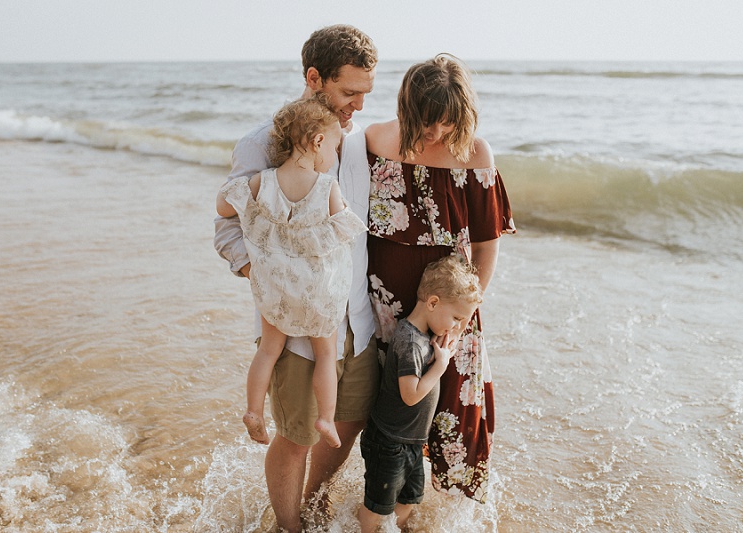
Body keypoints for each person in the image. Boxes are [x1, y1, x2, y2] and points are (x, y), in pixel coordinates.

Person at [213, 25, 379, 532]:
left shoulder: (356, 143)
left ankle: (314, 502)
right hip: (294, 321)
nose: (357, 107)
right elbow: (225, 228)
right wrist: (268, 278)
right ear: (314, 78)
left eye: (365, 94)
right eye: (349, 93)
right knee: (296, 435)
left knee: (346, 422)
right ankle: (289, 526)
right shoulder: (262, 144)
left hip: (356, 314)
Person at [364, 54, 516, 504]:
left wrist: (467, 313)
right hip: (386, 310)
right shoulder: (375, 140)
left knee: (458, 414)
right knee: (393, 414)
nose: (434, 134)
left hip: (451, 310)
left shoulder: (475, 153)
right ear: (407, 108)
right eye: (425, 123)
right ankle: (389, 504)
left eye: (446, 123)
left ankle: (452, 513)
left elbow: (488, 245)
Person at [216, 94, 366, 449]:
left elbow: (224, 207)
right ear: (317, 142)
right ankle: (326, 419)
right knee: (326, 354)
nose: (333, 155)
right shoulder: (327, 186)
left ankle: (253, 411)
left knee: (268, 350)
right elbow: (345, 226)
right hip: (317, 294)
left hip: (275, 288)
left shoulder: (262, 182)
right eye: (333, 146)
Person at [358, 254, 482, 532]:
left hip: (411, 441)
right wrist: (440, 365)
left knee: (410, 500)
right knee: (377, 508)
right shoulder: (411, 341)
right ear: (433, 303)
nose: (458, 327)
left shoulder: (425, 336)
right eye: (457, 318)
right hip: (389, 442)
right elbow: (411, 395)